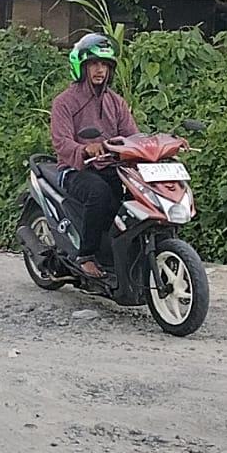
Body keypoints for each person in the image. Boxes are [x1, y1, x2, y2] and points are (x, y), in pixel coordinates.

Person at [49, 33, 139, 280]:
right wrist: (85, 149)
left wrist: (156, 146)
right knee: (99, 193)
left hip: (111, 167)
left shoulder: (116, 103)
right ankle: (86, 255)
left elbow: (132, 136)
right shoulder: (64, 102)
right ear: (82, 67)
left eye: (105, 65)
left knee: (136, 196)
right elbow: (61, 142)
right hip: (75, 169)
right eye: (94, 64)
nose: (100, 70)